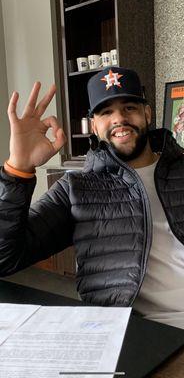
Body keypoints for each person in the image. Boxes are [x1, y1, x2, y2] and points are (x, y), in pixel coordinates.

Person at [0, 67, 184, 329]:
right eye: (106, 112)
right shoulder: (76, 189)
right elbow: (4, 258)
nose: (119, 118)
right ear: (95, 126)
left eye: (129, 107)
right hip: (139, 333)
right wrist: (17, 169)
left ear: (147, 113)